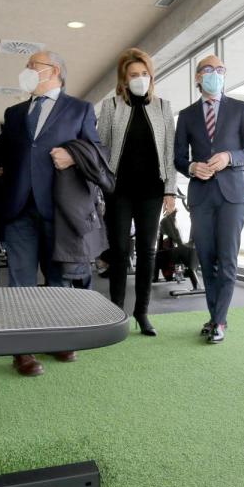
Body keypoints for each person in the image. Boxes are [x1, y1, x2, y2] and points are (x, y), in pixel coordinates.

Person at [0, 50, 101, 376]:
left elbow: (97, 150)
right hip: (19, 209)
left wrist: (74, 155)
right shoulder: (15, 112)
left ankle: (57, 338)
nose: (27, 71)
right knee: (20, 281)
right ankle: (22, 350)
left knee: (58, 280)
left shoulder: (79, 109)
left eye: (33, 66)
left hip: (59, 210)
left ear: (54, 71)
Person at [173, 55, 244, 343]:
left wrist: (229, 157)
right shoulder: (186, 115)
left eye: (220, 69)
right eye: (209, 70)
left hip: (233, 195)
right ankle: (214, 317)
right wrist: (191, 167)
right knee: (206, 257)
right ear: (198, 77)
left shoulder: (240, 108)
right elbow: (177, 158)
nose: (215, 74)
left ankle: (219, 320)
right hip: (200, 195)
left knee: (227, 259)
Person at [97, 48, 177, 336]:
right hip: (118, 190)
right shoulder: (111, 106)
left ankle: (142, 312)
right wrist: (101, 187)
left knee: (147, 251)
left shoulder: (163, 107)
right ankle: (116, 310)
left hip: (152, 191)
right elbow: (101, 148)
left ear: (151, 76)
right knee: (118, 251)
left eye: (144, 74)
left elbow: (169, 153)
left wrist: (170, 190)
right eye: (134, 75)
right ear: (124, 78)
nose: (140, 79)